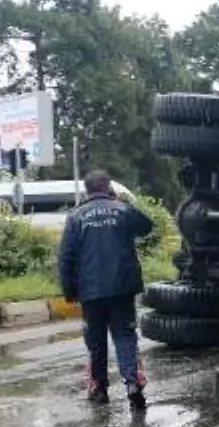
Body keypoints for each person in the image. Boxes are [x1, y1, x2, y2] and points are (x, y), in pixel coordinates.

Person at [59, 170, 155, 410]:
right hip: (122, 288)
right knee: (124, 337)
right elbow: (147, 226)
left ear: (87, 190)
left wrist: (69, 289)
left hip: (90, 291)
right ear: (108, 187)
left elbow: (66, 257)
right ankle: (132, 384)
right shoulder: (121, 209)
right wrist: (122, 200)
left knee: (96, 340)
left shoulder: (75, 217)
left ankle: (100, 389)